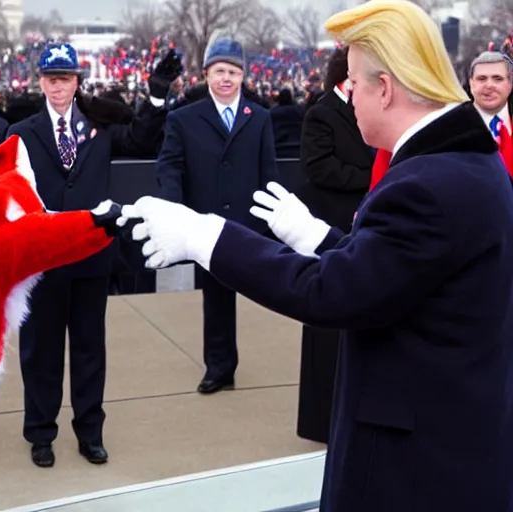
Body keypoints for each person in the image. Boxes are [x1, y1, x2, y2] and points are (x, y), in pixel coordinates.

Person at [118, 1, 513, 510]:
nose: (346, 101)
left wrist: (208, 237)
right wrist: (322, 240)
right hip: (451, 439)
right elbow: (394, 275)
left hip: (415, 467)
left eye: (352, 85)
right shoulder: (459, 165)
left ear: (385, 88)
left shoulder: (427, 183)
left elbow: (335, 295)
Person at [6, 42, 180, 468]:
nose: (58, 86)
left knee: (89, 348)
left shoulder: (98, 125)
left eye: (65, 78)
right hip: (43, 259)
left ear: (77, 81)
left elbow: (140, 139)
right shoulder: (22, 133)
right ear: (41, 82)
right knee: (41, 350)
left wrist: (156, 95)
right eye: (51, 78)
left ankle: (90, 432)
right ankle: (41, 433)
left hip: (90, 254)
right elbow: (12, 192)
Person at [155, 30, 277, 394]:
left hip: (248, 220)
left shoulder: (258, 117)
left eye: (233, 72)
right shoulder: (184, 118)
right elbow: (169, 166)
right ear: (206, 74)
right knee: (216, 294)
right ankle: (220, 366)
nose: (226, 79)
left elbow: (268, 171)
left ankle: (225, 363)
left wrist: (270, 220)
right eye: (220, 71)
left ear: (243, 76)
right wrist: (176, 211)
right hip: (204, 221)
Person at [293, 45, 374, 444]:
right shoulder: (321, 113)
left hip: (367, 222)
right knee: (325, 325)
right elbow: (319, 166)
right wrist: (371, 175)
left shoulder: (373, 109)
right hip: (331, 223)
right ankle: (321, 420)